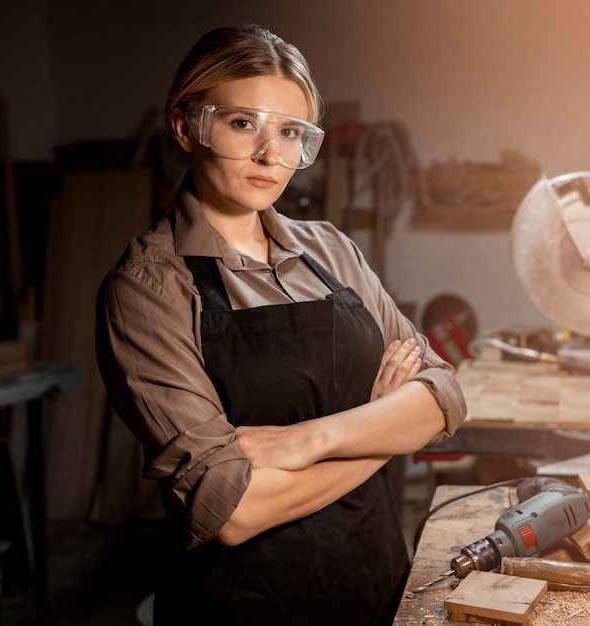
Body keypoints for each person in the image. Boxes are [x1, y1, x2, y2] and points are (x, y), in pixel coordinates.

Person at [95, 23, 467, 626]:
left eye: (291, 133)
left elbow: (444, 394)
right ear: (186, 126)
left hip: (377, 585)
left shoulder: (332, 251)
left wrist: (305, 440)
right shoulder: (149, 288)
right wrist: (384, 429)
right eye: (244, 124)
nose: (272, 155)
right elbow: (233, 511)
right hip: (246, 606)